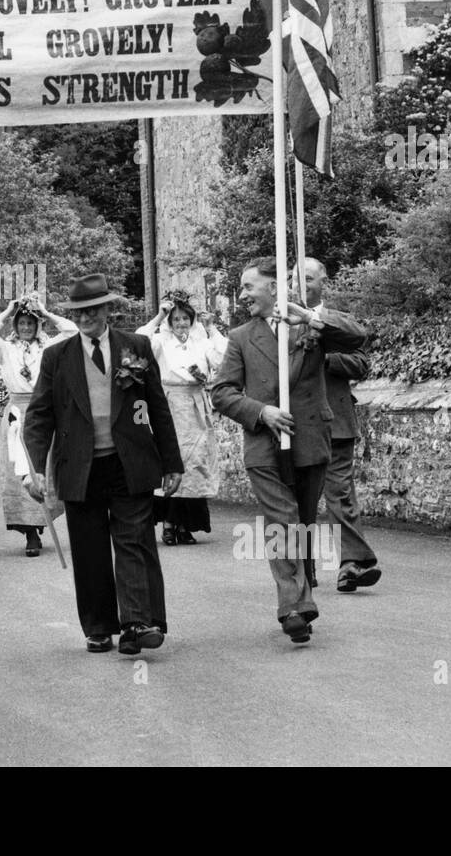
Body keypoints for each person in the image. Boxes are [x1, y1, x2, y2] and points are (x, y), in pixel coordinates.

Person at [210, 256, 368, 644]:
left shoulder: (305, 326)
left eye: (249, 286)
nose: (243, 294)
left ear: (273, 288)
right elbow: (222, 393)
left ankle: (303, 591)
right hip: (264, 446)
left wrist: (310, 318)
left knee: (303, 522)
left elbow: (358, 337)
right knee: (283, 520)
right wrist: (260, 411)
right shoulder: (241, 337)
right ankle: (293, 605)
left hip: (311, 439)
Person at [23, 273, 183, 655]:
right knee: (89, 549)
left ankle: (136, 623)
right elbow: (39, 417)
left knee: (133, 542)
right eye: (78, 313)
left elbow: (158, 407)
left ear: (108, 308)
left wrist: (172, 462)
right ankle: (97, 627)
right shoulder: (56, 357)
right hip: (80, 467)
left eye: (92, 310)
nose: (84, 319)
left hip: (130, 462)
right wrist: (35, 470)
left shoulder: (137, 346)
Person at [294, 258, 382, 593]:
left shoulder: (338, 322)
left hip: (335, 421)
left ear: (323, 282)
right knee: (300, 499)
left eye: (310, 278)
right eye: (296, 277)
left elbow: (361, 363)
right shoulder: (280, 320)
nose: (303, 284)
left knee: (340, 494)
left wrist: (327, 359)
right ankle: (302, 569)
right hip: (297, 423)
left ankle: (353, 563)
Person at [0, 293, 77, 556]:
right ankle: (30, 533)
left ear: (37, 326)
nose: (25, 328)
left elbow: (72, 331)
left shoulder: (48, 348)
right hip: (17, 414)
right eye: (21, 323)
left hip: (43, 410)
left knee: (44, 467)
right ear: (15, 325)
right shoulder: (6, 349)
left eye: (30, 324)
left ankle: (41, 519)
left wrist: (45, 313)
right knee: (19, 471)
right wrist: (9, 310)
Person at [137, 290, 222, 546]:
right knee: (174, 460)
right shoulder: (161, 343)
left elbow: (223, 358)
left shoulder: (201, 343)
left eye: (185, 319)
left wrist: (212, 329)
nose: (181, 324)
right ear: (169, 323)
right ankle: (169, 523)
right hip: (170, 404)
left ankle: (186, 525)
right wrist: (159, 316)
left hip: (196, 405)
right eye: (176, 320)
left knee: (195, 465)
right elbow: (138, 340)